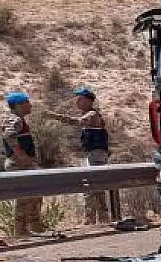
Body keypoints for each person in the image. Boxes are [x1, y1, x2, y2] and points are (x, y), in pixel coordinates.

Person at [44, 87, 111, 224]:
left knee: (90, 186)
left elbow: (78, 122)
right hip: (93, 154)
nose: (77, 102)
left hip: (96, 155)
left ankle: (90, 219)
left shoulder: (92, 114)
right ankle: (101, 218)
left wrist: (54, 116)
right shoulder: (92, 114)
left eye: (80, 99)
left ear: (88, 101)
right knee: (96, 187)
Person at [1, 92, 43, 236]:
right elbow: (8, 135)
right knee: (23, 198)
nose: (30, 105)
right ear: (18, 105)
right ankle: (21, 231)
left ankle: (34, 227)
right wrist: (20, 154)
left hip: (24, 164)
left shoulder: (19, 120)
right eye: (27, 102)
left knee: (34, 196)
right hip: (18, 164)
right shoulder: (15, 120)